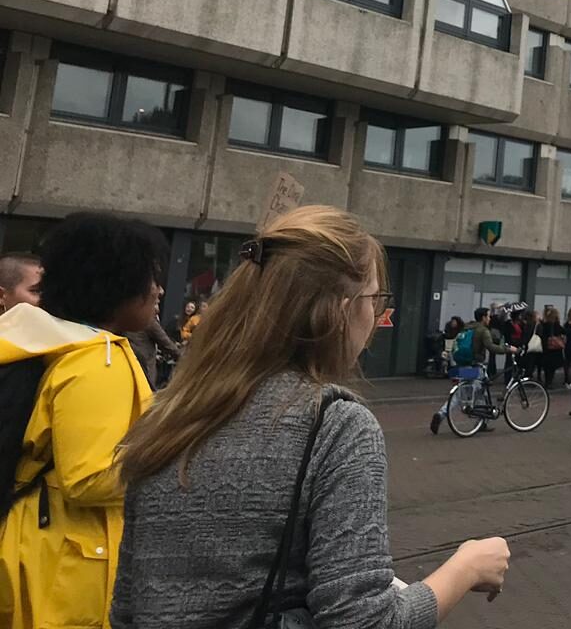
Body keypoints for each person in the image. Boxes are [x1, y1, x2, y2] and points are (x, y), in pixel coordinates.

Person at [112, 206, 509, 625]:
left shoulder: (166, 415)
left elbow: (125, 611)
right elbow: (363, 622)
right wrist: (466, 569)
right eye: (375, 300)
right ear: (341, 311)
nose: (376, 317)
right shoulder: (336, 426)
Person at [1, 213, 166, 629]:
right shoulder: (98, 360)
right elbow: (88, 478)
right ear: (117, 285)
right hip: (67, 564)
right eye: (151, 278)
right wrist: (172, 456)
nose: (158, 290)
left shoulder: (42, 340)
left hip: (35, 544)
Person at [431, 308, 511, 435]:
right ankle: (481, 421)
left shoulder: (466, 327)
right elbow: (491, 347)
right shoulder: (482, 330)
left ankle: (441, 414)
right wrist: (509, 349)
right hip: (475, 367)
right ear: (483, 318)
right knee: (481, 392)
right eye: (488, 316)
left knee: (459, 395)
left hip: (462, 366)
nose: (489, 318)